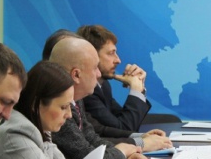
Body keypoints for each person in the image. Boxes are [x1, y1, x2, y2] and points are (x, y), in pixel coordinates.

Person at [0, 60, 142, 159]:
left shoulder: (39, 127)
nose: (69, 115)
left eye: (69, 106)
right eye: (63, 107)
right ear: (36, 105)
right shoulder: (16, 133)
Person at [42, 29, 172, 152]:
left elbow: (98, 132)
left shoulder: (97, 89)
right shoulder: (75, 96)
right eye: (111, 53)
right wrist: (140, 144)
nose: (118, 60)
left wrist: (140, 138)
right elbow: (88, 151)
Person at [76, 24, 150, 132]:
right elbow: (124, 128)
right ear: (92, 56)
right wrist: (136, 90)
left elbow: (124, 121)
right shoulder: (87, 92)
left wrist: (139, 87)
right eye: (111, 53)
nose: (118, 60)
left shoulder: (104, 85)